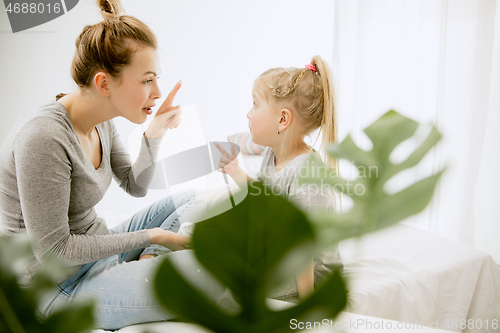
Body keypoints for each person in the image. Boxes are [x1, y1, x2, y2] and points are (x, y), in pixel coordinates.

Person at [0, 0, 225, 330]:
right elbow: (55, 252)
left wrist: (153, 135)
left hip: (98, 248)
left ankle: (146, 261)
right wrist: (152, 236)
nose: (158, 92)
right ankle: (144, 261)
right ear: (104, 83)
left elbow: (135, 185)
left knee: (195, 199)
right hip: (57, 286)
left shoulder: (101, 121)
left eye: (156, 79)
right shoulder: (43, 138)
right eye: (147, 80)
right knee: (212, 272)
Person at [215, 56, 343, 299]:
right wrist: (236, 172)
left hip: (309, 274)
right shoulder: (271, 155)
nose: (248, 114)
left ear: (283, 119)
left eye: (255, 104)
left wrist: (306, 308)